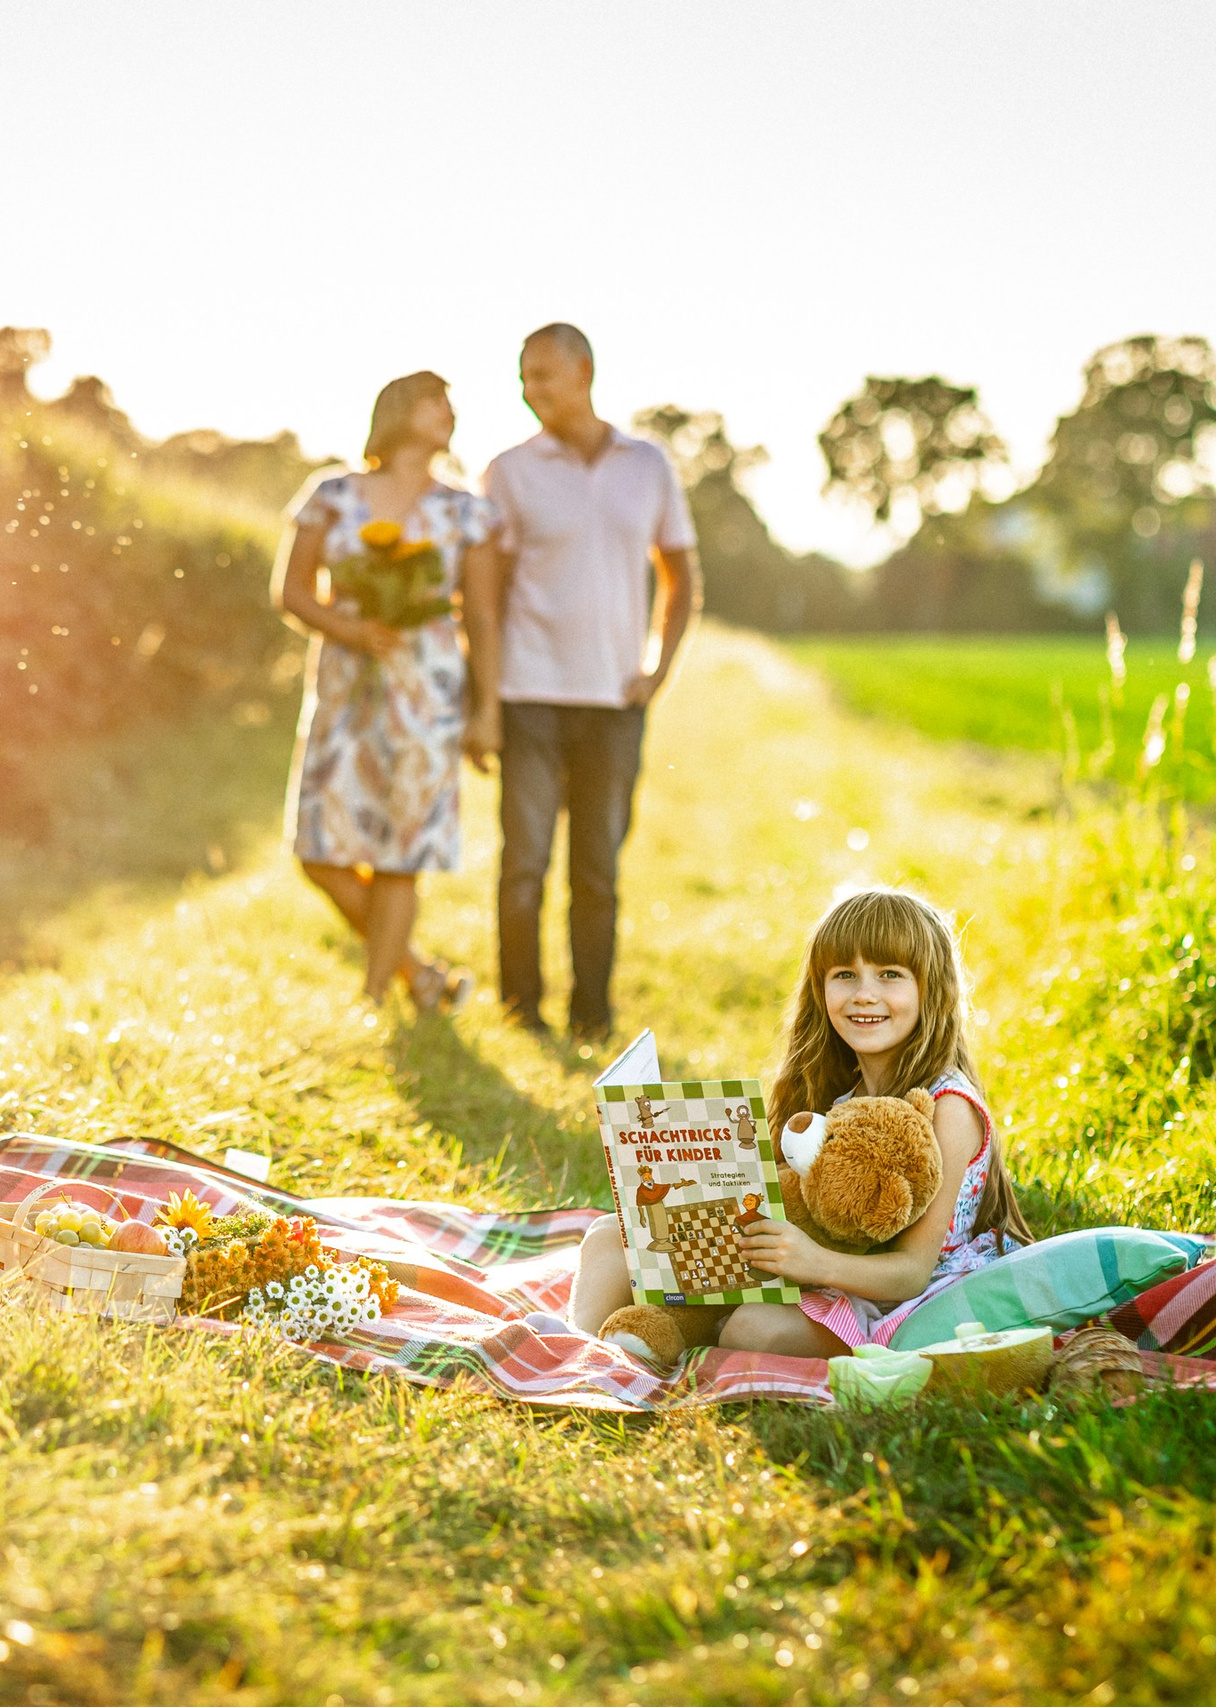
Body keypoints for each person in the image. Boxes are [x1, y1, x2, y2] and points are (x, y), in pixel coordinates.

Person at [565, 887, 1035, 1356]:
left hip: (896, 1303)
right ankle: (573, 1350)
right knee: (609, 1236)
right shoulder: (838, 1094)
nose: (864, 995)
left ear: (929, 988)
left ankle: (677, 1332)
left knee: (751, 1329)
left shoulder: (949, 1107)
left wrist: (812, 1262)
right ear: (821, 988)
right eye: (844, 975)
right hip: (811, 1273)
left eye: (889, 974)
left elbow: (910, 1272)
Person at [476, 324, 697, 1041]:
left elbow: (681, 574)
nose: (528, 389)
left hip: (613, 702)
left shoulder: (648, 465)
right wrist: (480, 699)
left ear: (584, 371)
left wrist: (657, 668)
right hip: (529, 693)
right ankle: (520, 1013)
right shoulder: (509, 471)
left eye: (542, 374)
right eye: (522, 377)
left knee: (597, 870)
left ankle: (592, 1020)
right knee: (525, 865)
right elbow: (484, 593)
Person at [275, 372, 504, 1007]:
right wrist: (352, 627)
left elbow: (482, 619)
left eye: (451, 403)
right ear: (401, 410)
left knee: (403, 852)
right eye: (436, 401)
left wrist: (486, 710)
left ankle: (376, 1001)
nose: (449, 412)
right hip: (346, 693)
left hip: (428, 694)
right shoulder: (331, 494)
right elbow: (291, 592)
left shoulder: (467, 511)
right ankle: (420, 975)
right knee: (319, 852)